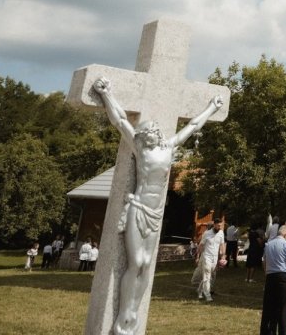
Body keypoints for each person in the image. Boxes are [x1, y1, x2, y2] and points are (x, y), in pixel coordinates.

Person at [90, 77, 224, 335]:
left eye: (151, 132)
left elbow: (193, 126)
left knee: (147, 262)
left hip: (155, 212)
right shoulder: (141, 150)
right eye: (145, 133)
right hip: (139, 208)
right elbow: (120, 120)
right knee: (136, 262)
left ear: (158, 134)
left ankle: (133, 311)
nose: (148, 134)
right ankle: (124, 314)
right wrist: (107, 94)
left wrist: (212, 107)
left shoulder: (168, 148)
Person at [259, 224, 286, 335]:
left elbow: (264, 262)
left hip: (270, 277)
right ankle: (282, 332)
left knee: (268, 307)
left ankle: (267, 331)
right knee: (282, 308)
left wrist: (267, 273)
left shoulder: (268, 244)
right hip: (282, 278)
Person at [196, 220, 227, 301]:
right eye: (218, 226)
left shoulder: (221, 233)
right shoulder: (207, 233)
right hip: (206, 256)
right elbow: (201, 245)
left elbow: (222, 244)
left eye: (221, 226)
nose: (220, 227)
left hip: (215, 257)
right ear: (214, 225)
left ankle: (199, 290)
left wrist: (223, 255)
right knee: (207, 274)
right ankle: (208, 295)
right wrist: (197, 256)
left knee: (209, 276)